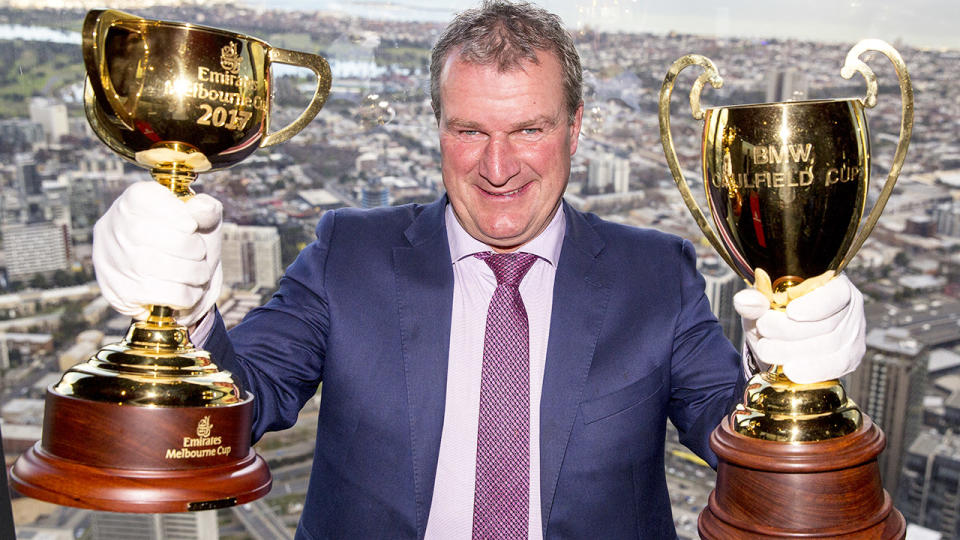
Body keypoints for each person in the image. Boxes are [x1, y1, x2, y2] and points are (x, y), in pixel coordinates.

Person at [93, 1, 865, 538]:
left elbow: (734, 435)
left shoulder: (654, 274)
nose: (498, 167)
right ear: (437, 128)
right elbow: (241, 404)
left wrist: (794, 368)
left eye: (529, 127)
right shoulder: (348, 253)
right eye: (469, 129)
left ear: (575, 129)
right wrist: (181, 310)